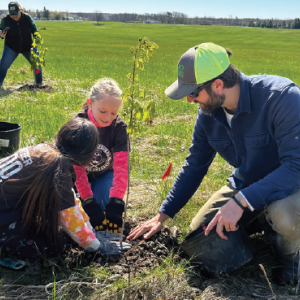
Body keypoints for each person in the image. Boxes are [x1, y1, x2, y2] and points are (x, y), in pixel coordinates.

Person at [128, 42, 300, 285]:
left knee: (284, 214)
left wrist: (241, 201)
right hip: (248, 183)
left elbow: (296, 167)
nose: (189, 100)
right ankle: (263, 220)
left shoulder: (282, 98)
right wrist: (162, 216)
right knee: (201, 233)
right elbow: (194, 165)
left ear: (218, 84)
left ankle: (292, 255)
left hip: (292, 184)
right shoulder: (208, 114)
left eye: (193, 92)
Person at [0, 118, 130, 258]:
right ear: (87, 155)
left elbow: (71, 200)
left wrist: (90, 229)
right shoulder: (58, 170)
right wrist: (97, 246)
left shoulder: (43, 150)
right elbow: (68, 217)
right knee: (56, 244)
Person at [72, 78, 129, 234]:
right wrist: (87, 200)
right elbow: (77, 170)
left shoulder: (119, 128)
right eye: (102, 111)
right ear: (90, 103)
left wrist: (117, 200)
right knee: (79, 212)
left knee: (104, 203)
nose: (107, 117)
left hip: (103, 174)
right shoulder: (79, 125)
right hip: (75, 178)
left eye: (113, 113)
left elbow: (121, 167)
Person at [0, 2, 43, 88]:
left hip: (28, 46)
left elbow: (34, 30)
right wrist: (1, 35)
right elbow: (1, 30)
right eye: (12, 14)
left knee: (37, 64)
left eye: (16, 14)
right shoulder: (5, 20)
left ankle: (38, 84)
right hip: (11, 47)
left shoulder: (27, 18)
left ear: (19, 10)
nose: (14, 16)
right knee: (3, 65)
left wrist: (37, 39)